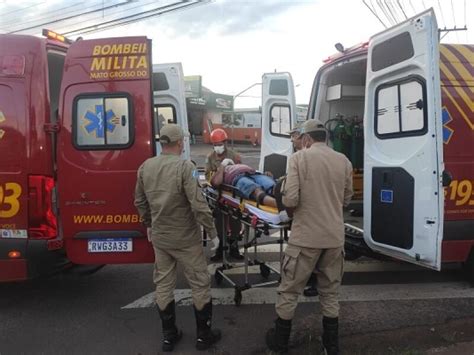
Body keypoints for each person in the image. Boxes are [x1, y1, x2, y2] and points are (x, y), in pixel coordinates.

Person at [265, 119, 353, 355]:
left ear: (306, 139)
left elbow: (291, 200)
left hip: (306, 239)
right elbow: (346, 200)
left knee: (290, 290)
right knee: (330, 293)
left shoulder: (299, 159)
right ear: (325, 138)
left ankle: (280, 343)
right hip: (334, 238)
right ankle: (331, 346)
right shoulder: (343, 160)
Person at [134, 124, 222, 352]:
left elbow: (140, 202)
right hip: (186, 239)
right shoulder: (187, 167)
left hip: (161, 238)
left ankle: (169, 336)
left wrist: (149, 224)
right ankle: (204, 336)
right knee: (199, 283)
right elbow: (198, 204)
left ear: (162, 143)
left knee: (163, 284)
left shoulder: (145, 167)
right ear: (180, 143)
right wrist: (212, 232)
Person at [205, 128, 243, 261]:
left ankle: (234, 245)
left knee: (235, 220)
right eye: (215, 145)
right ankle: (221, 247)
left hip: (232, 194)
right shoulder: (210, 158)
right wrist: (218, 172)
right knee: (219, 221)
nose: (218, 147)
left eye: (220, 144)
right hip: (218, 194)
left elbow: (241, 174)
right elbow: (208, 176)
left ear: (225, 143)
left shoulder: (234, 156)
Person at [210, 160, 278, 208]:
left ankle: (284, 200)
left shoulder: (238, 165)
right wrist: (222, 166)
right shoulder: (219, 172)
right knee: (256, 190)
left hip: (253, 173)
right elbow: (216, 183)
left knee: (272, 186)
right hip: (237, 179)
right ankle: (279, 205)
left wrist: (265, 174)